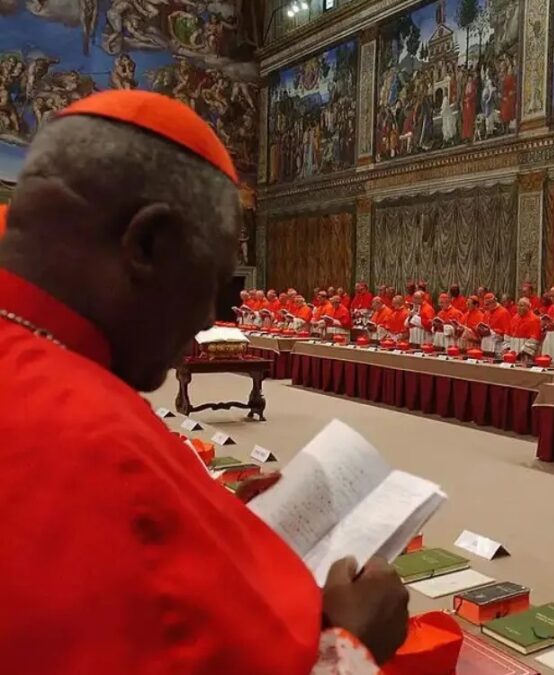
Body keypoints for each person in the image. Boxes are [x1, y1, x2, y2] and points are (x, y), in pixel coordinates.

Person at [0, 90, 406, 673]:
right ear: (148, 245)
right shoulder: (96, 448)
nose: (209, 320)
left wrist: (210, 522)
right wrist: (351, 642)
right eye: (216, 282)